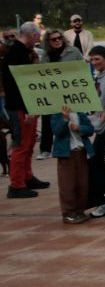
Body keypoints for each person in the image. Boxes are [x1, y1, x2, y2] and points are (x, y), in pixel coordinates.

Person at [1, 23, 51, 198]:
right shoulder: (17, 53)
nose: (38, 40)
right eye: (37, 37)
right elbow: (20, 86)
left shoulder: (21, 52)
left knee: (28, 144)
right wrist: (28, 107)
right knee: (21, 144)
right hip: (20, 107)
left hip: (25, 105)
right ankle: (16, 184)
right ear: (30, 35)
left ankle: (26, 177)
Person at [37, 29, 85, 160]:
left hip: (70, 92)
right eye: (53, 39)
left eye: (59, 38)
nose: (57, 41)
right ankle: (46, 149)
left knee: (72, 118)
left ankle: (76, 145)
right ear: (48, 42)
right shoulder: (46, 56)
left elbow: (83, 70)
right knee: (47, 120)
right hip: (52, 93)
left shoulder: (73, 51)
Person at [51, 104, 94, 223]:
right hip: (66, 154)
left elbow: (90, 129)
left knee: (82, 183)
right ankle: (68, 212)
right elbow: (56, 131)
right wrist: (64, 119)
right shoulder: (56, 113)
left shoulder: (80, 112)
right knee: (67, 184)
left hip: (81, 151)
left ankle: (80, 210)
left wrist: (79, 128)